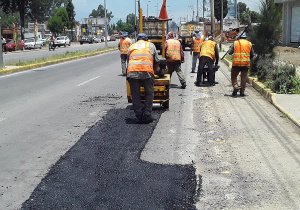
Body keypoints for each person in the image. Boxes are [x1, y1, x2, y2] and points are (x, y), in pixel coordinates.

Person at [127, 33, 159, 123]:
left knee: (135, 94)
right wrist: (154, 72)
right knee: (149, 93)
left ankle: (139, 114)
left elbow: (128, 60)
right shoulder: (151, 45)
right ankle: (147, 114)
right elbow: (156, 60)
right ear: (146, 39)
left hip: (132, 72)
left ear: (137, 39)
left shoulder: (132, 46)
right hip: (147, 71)